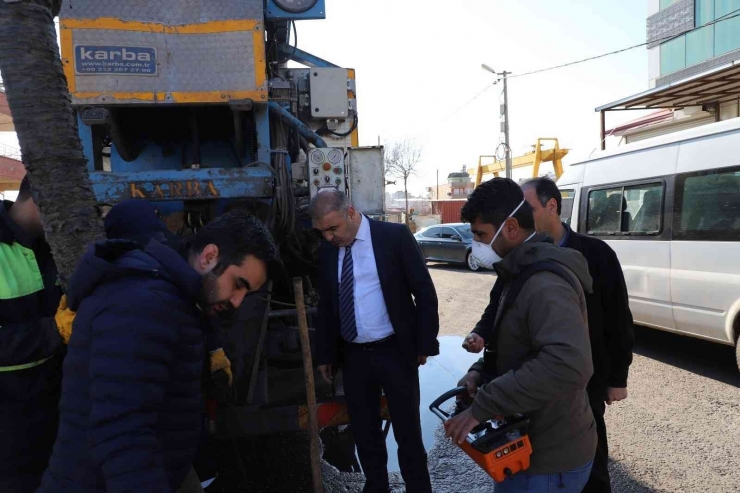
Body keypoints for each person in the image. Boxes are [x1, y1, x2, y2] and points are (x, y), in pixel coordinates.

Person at [38, 208, 280, 493]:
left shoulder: (177, 295)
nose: (238, 301)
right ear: (209, 256)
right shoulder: (143, 302)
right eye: (238, 285)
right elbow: (122, 434)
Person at [448, 178, 596, 493]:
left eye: (481, 235)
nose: (476, 244)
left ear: (511, 228)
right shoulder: (516, 272)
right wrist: (480, 372)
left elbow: (567, 364)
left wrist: (484, 404)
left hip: (547, 463)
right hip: (530, 449)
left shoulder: (544, 283)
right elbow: (513, 340)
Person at [311, 189, 439, 493]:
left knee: (408, 431)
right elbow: (327, 306)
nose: (329, 237)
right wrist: (325, 353)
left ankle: (418, 488)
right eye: (322, 231)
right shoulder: (328, 251)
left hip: (395, 350)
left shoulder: (393, 237)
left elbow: (423, 290)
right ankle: (376, 486)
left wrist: (425, 343)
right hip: (354, 356)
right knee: (365, 431)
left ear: (351, 212)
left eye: (333, 228)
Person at [521, 177, 634, 493]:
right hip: (539, 383)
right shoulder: (525, 256)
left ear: (551, 206)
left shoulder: (596, 254)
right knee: (544, 464)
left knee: (592, 465)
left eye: (527, 207)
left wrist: (618, 378)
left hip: (587, 382)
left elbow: (618, 318)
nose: (520, 216)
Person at [0, 176, 72, 493]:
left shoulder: (55, 250)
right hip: (8, 448)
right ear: (41, 202)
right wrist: (53, 330)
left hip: (57, 434)